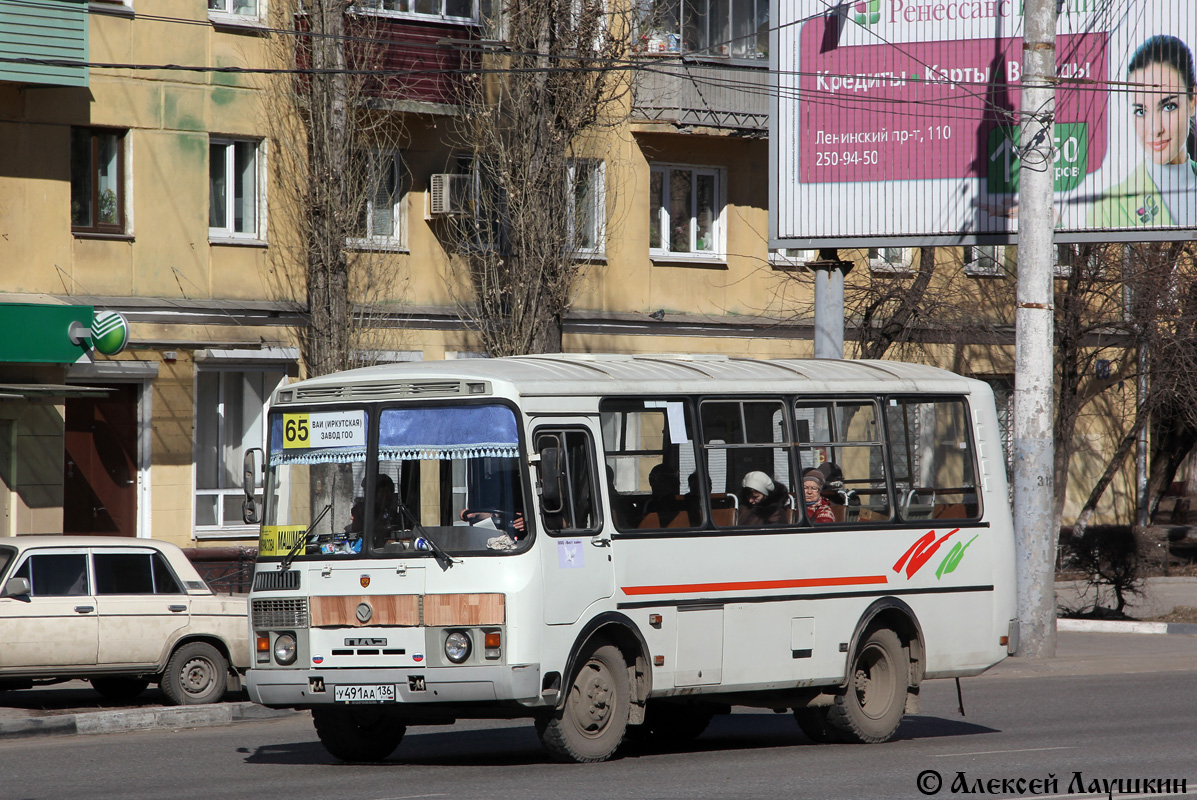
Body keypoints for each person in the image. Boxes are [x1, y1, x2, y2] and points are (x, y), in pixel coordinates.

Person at [1089, 35, 1197, 228]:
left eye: (1168, 107)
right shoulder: (1108, 208)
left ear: (1192, 101)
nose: (1155, 129)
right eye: (1141, 111)